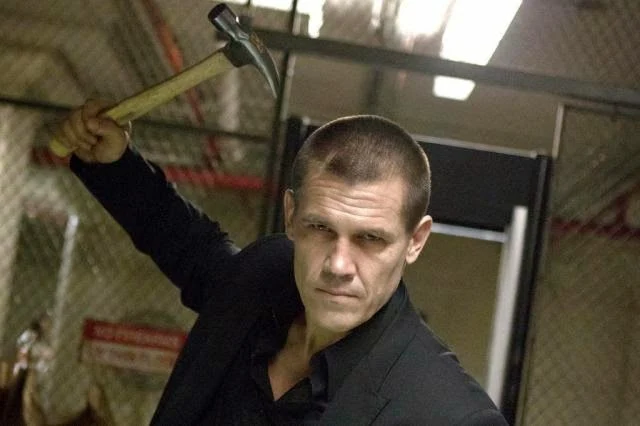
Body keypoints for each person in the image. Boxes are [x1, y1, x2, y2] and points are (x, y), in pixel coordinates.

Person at [56, 100, 508, 425]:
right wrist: (114, 165)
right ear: (291, 216)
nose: (338, 264)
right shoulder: (263, 277)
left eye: (370, 239)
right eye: (320, 228)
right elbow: (192, 249)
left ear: (415, 241)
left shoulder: (449, 413)